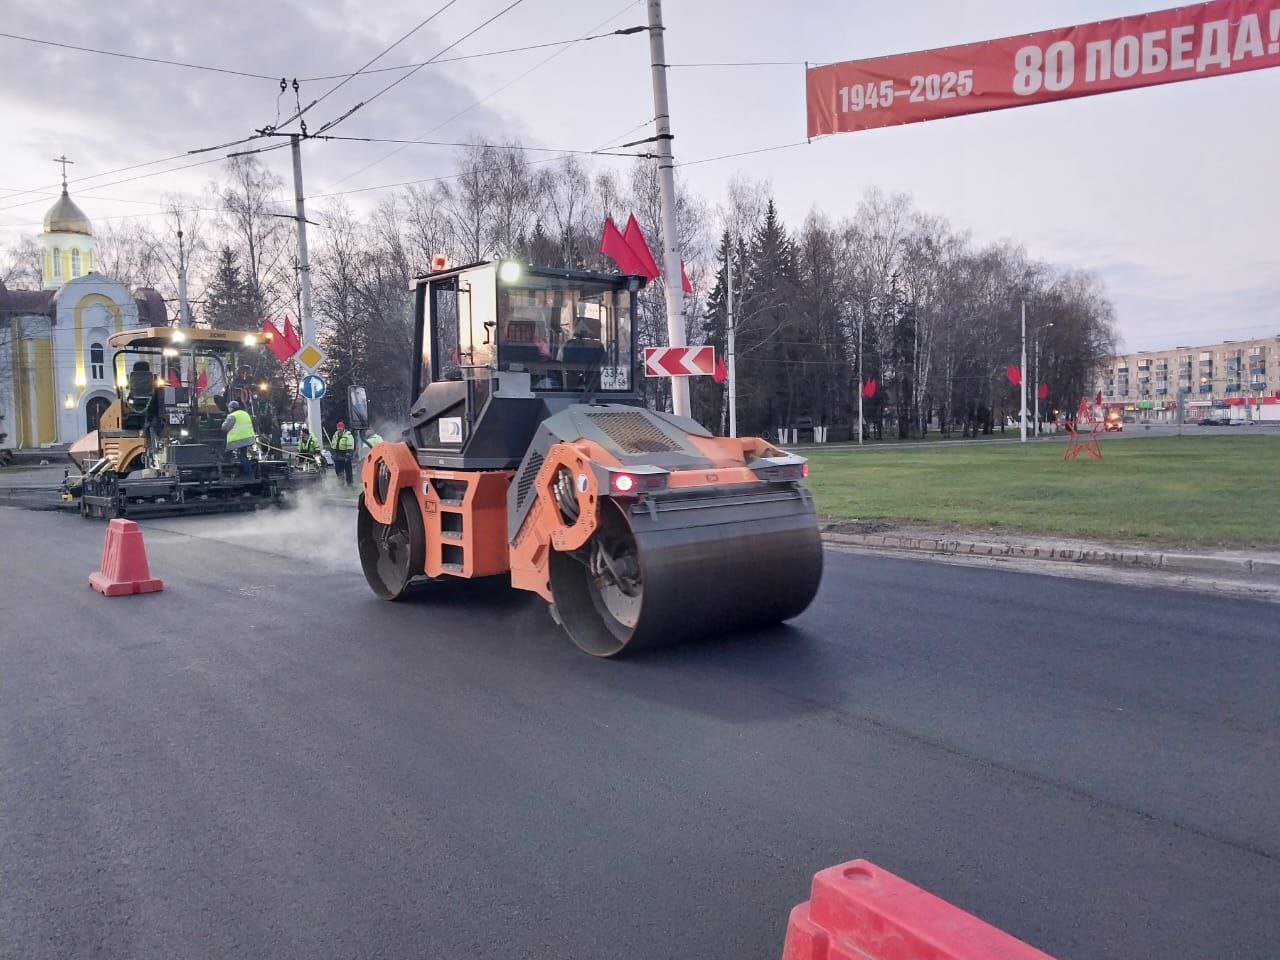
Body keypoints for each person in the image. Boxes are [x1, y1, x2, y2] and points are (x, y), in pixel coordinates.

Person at [221, 400, 256, 477]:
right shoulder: (244, 413)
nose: (228, 409)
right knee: (243, 455)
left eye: (229, 408)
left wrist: (224, 421)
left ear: (231, 408)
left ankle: (249, 473)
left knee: (240, 456)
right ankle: (246, 471)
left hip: (239, 439)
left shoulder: (232, 416)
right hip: (248, 437)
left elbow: (224, 428)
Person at [331, 421, 355, 486]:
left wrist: (348, 455)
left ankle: (350, 484)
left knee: (348, 471)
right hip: (337, 454)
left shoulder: (348, 434)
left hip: (345, 454)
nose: (339, 430)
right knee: (338, 470)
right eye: (338, 428)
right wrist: (333, 454)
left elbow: (350, 445)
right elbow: (333, 444)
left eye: (340, 428)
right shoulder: (335, 434)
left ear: (343, 428)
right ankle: (340, 483)